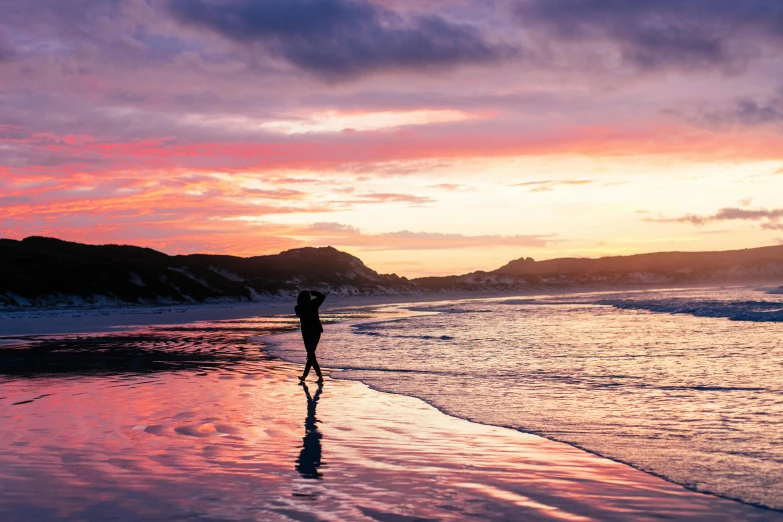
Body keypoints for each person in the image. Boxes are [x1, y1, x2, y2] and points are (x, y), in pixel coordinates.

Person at [295, 290, 326, 383]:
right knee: (310, 354)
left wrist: (312, 293)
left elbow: (322, 297)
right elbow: (322, 296)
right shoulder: (310, 304)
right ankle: (317, 377)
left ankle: (308, 376)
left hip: (311, 332)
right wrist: (313, 293)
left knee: (310, 354)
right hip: (310, 332)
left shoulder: (300, 307)